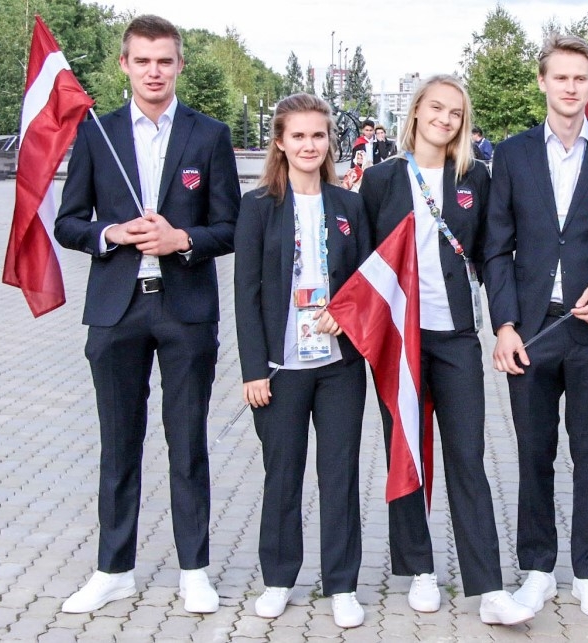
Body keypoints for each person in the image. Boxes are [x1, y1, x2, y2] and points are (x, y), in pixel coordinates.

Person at [53, 14, 239, 615]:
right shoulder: (97, 133)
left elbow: (230, 225)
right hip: (117, 310)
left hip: (185, 309)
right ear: (124, 66)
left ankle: (195, 570)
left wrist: (182, 240)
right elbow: (67, 221)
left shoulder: (208, 135)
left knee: (187, 444)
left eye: (165, 60)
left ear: (179, 64)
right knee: (119, 443)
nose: (154, 71)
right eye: (143, 61)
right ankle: (113, 569)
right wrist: (111, 232)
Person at [359, 74, 535, 626]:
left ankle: (487, 587)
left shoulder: (474, 179)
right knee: (405, 450)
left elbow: (495, 253)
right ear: (415, 112)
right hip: (400, 341)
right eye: (436, 108)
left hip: (456, 335)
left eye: (455, 112)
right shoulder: (381, 180)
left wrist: (508, 321)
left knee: (467, 457)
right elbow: (362, 263)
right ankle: (419, 570)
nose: (445, 119)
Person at [483, 33, 588, 618]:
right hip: (529, 331)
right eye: (561, 77)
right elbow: (496, 250)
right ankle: (537, 568)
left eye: (581, 78)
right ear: (544, 82)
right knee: (533, 452)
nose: (571, 87)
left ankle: (587, 570)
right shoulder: (513, 154)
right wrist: (503, 324)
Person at [232, 93, 371, 629]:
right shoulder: (257, 206)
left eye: (319, 135)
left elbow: (365, 281)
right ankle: (278, 579)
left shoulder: (350, 206)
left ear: (329, 142)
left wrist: (348, 312)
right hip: (279, 370)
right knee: (282, 474)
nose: (310, 145)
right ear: (281, 142)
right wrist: (251, 369)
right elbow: (245, 292)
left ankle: (341, 584)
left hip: (338, 367)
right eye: (299, 136)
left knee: (339, 475)